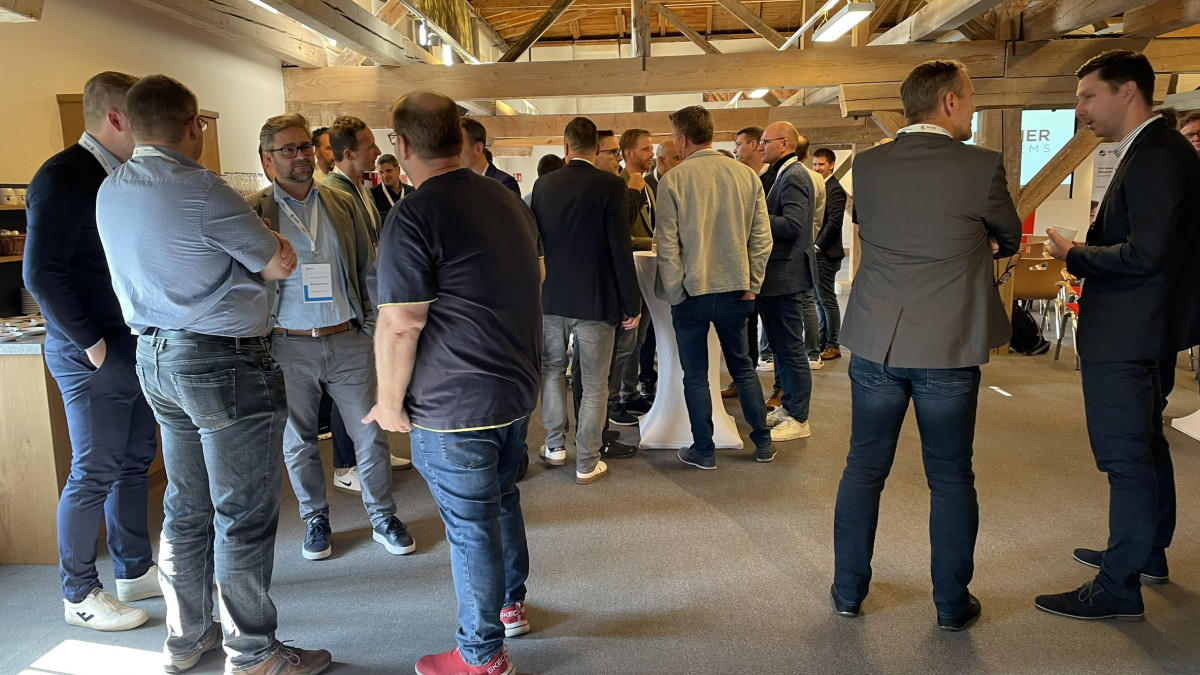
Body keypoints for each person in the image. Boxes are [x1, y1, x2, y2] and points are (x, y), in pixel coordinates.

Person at [96, 74, 329, 675]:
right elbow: (278, 263)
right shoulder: (202, 188)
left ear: (131, 123)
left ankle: (187, 636)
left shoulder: (111, 187)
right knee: (242, 513)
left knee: (185, 507)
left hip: (155, 358)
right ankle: (253, 652)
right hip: (222, 362)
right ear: (193, 124)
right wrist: (263, 243)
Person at [831, 59, 1022, 632]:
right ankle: (951, 605)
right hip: (947, 341)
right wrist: (976, 243)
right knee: (950, 476)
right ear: (950, 102)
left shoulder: (867, 166)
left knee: (863, 469)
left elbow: (870, 225)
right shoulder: (980, 165)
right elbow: (1009, 235)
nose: (973, 109)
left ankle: (847, 593)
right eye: (971, 97)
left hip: (875, 339)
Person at [365, 90, 541, 675]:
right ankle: (510, 605)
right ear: (462, 137)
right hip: (514, 390)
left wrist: (389, 404)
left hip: (453, 405)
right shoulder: (505, 197)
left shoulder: (413, 214)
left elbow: (400, 323)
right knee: (502, 499)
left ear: (401, 145)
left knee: (470, 528)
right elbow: (536, 274)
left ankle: (481, 655)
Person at [1037, 50, 1200, 621]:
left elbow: (1145, 254)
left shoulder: (1156, 154)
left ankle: (1119, 585)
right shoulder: (1157, 149)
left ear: (1127, 90)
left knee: (1126, 458)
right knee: (1144, 446)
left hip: (1130, 332)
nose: (1080, 108)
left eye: (1088, 96)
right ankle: (1144, 553)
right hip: (1144, 327)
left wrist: (1076, 254)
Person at [24, 70, 162, 632]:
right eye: (141, 118)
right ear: (116, 118)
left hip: (129, 346)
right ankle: (79, 592)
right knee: (94, 471)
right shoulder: (63, 176)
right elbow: (41, 273)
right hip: (91, 353)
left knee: (134, 462)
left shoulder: (124, 175)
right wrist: (94, 346)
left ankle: (134, 569)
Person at [247, 113, 415, 562]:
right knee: (298, 441)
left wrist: (370, 330)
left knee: (370, 435)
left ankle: (383, 517)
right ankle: (315, 519)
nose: (300, 156)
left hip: (346, 340)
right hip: (288, 344)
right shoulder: (254, 212)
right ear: (267, 160)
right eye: (288, 149)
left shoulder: (342, 203)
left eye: (305, 146)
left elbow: (366, 268)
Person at [656, 105, 775, 468]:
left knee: (695, 375)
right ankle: (763, 443)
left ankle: (704, 451)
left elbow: (668, 246)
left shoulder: (672, 180)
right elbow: (762, 239)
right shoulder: (746, 176)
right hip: (737, 290)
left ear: (681, 139)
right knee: (742, 367)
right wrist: (753, 282)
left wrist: (675, 292)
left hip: (691, 293)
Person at [532, 116, 641, 477]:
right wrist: (632, 302)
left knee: (551, 371)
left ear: (565, 147)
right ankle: (587, 461)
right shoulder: (611, 185)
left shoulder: (543, 185)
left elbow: (537, 244)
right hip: (596, 299)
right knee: (595, 383)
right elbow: (620, 249)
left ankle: (554, 446)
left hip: (550, 297)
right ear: (596, 148)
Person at [755, 121, 817, 443]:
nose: (760, 146)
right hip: (777, 275)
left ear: (785, 144)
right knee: (780, 346)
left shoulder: (794, 176)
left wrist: (754, 217)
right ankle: (789, 406)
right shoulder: (780, 173)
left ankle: (799, 417)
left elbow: (793, 225)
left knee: (791, 348)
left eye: (765, 141)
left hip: (786, 275)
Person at [604, 127, 657, 427]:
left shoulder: (647, 185)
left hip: (646, 274)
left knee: (638, 341)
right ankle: (612, 402)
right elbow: (621, 235)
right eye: (646, 148)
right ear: (628, 153)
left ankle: (629, 393)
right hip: (628, 276)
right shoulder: (619, 186)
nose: (652, 153)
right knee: (624, 344)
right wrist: (656, 243)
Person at [323, 115, 383, 245]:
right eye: (370, 147)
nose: (378, 152)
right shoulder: (331, 194)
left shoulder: (364, 190)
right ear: (349, 154)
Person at [811, 147, 848, 361]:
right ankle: (823, 342)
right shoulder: (821, 186)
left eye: (821, 164)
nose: (817, 168)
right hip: (818, 253)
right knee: (818, 301)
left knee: (827, 301)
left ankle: (833, 344)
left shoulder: (834, 189)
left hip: (826, 253)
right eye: (814, 164)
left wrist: (817, 246)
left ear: (832, 165)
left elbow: (834, 223)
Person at [460, 117, 522, 197]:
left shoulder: (503, 184)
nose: (452, 152)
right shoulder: (460, 185)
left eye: (457, 146)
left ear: (478, 149)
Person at [372, 153, 412, 217]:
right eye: (381, 172)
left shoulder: (412, 192)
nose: (385, 176)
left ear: (398, 170)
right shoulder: (372, 194)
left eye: (389, 171)